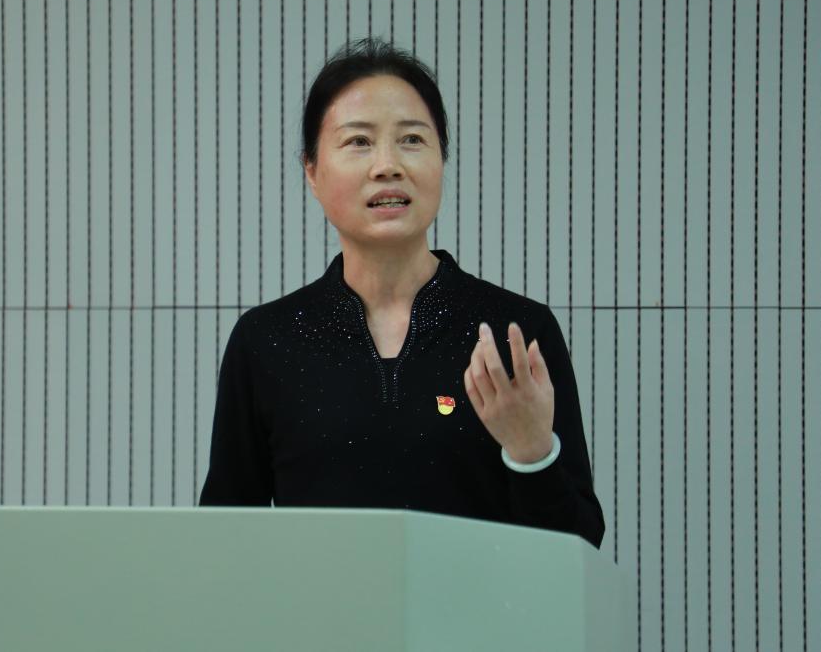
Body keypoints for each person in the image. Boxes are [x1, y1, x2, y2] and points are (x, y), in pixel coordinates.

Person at [198, 37, 604, 549]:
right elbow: (224, 543)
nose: (387, 165)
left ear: (442, 160)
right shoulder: (265, 340)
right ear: (312, 172)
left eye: (412, 139)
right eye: (358, 142)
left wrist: (531, 453)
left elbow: (579, 547)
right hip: (320, 606)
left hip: (476, 605)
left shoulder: (515, 334)